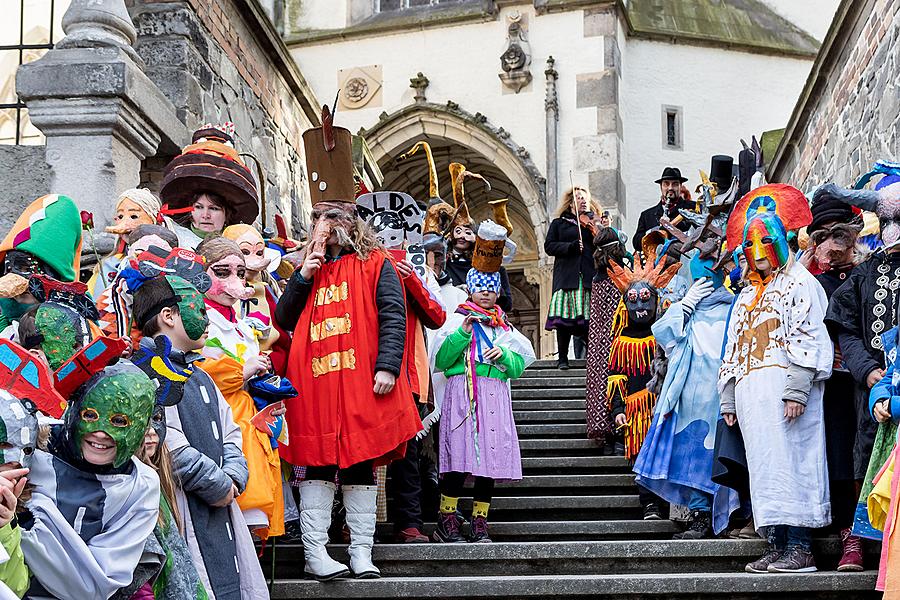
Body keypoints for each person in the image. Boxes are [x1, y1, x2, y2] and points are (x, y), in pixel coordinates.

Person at [275, 111, 421, 580]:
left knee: (360, 466)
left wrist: (388, 366)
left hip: (362, 381)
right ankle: (316, 551)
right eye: (318, 216)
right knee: (316, 466)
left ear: (351, 219)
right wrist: (303, 274)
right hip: (315, 382)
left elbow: (396, 315)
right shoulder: (302, 268)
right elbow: (282, 320)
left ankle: (361, 551)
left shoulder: (376, 263)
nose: (324, 223)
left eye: (333, 215)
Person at [130, 272, 268, 599]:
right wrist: (219, 485)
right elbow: (168, 441)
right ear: (168, 316)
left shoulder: (202, 377)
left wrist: (234, 476)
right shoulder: (147, 372)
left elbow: (230, 430)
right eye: (197, 309)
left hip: (222, 502)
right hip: (182, 506)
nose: (205, 317)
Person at [719, 184, 832, 574]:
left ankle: (800, 548)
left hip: (786, 389)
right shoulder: (747, 294)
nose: (757, 252)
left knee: (792, 463)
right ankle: (776, 543)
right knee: (765, 468)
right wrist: (730, 397)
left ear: (778, 242)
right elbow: (734, 345)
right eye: (750, 246)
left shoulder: (799, 282)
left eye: (764, 242)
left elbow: (807, 335)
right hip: (752, 394)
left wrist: (797, 388)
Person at [20, 360, 162, 599]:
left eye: (119, 421)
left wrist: (29, 516)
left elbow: (94, 585)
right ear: (75, 411)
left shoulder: (141, 484)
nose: (100, 433)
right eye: (90, 415)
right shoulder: (28, 449)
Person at [431, 220, 536, 543]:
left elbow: (519, 365)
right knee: (459, 459)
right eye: (481, 287)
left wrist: (504, 358)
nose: (487, 293)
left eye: (492, 288)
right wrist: (462, 336)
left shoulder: (504, 328)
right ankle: (447, 518)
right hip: (464, 395)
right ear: (472, 289)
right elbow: (440, 360)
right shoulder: (457, 320)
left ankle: (480, 520)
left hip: (494, 398)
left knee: (488, 462)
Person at [633, 249, 739, 539]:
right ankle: (700, 515)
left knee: (717, 461)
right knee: (691, 461)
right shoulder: (686, 311)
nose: (702, 283)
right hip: (687, 406)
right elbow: (664, 334)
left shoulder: (734, 307)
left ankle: (728, 517)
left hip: (719, 401)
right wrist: (685, 304)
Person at [823, 164, 900, 542]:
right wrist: (867, 370)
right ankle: (860, 537)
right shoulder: (865, 273)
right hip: (871, 384)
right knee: (867, 451)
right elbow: (846, 327)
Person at [195, 236, 285, 542]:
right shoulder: (198, 321)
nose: (234, 280)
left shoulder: (245, 324)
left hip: (247, 414)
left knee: (253, 503)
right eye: (222, 272)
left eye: (240, 272)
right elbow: (196, 370)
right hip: (214, 417)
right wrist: (241, 371)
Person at [802, 191, 867, 570]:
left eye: (838, 233)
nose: (831, 243)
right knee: (839, 455)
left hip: (869, 377)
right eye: (821, 235)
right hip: (831, 382)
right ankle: (849, 534)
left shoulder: (871, 271)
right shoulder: (809, 282)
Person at [606, 243, 681, 520]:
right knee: (641, 457)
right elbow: (616, 378)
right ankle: (649, 503)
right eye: (633, 300)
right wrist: (617, 410)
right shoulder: (621, 342)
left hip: (665, 404)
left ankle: (668, 502)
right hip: (636, 408)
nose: (640, 305)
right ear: (625, 305)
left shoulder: (667, 333)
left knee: (666, 454)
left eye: (645, 299)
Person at [160, 124, 260, 246]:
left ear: (227, 215)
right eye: (198, 207)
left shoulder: (243, 245)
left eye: (214, 208)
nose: (205, 215)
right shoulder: (170, 238)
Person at [0, 195, 82, 332]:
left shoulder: (76, 322)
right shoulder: (3, 324)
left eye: (27, 268)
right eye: (8, 269)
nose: (17, 277)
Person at [221, 224, 292, 374]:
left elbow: (283, 343)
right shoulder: (216, 292)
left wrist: (271, 361)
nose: (254, 260)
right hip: (227, 372)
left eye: (259, 253)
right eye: (244, 252)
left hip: (262, 376)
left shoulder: (265, 293)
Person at [443, 163, 513, 312]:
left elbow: (507, 304)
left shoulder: (494, 268)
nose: (462, 237)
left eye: (468, 233)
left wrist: (489, 293)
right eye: (458, 231)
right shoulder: (443, 265)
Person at [544, 186, 598, 369]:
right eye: (578, 198)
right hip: (567, 276)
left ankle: (593, 358)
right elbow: (549, 246)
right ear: (570, 202)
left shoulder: (592, 222)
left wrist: (601, 229)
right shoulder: (559, 223)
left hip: (587, 275)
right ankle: (563, 358)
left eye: (584, 198)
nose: (582, 200)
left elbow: (603, 245)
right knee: (564, 320)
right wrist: (570, 247)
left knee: (589, 320)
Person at [584, 227, 626, 447]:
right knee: (617, 384)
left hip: (598, 340)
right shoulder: (618, 275)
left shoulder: (597, 275)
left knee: (600, 385)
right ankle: (619, 435)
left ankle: (606, 435)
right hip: (617, 338)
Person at [632, 167, 693, 252]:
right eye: (666, 184)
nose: (670, 188)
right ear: (661, 187)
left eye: (675, 184)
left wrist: (671, 224)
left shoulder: (693, 207)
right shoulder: (647, 215)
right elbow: (636, 243)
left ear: (680, 186)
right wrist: (654, 231)